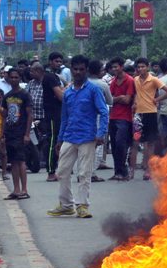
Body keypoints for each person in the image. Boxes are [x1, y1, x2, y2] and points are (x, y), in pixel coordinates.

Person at [48, 55, 108, 219]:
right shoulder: (67, 93)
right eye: (75, 69)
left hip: (88, 137)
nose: (78, 72)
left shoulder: (94, 90)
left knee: (84, 173)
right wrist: (60, 139)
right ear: (71, 69)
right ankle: (66, 205)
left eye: (82, 69)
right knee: (62, 171)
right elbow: (65, 117)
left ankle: (82, 206)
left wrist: (100, 133)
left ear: (87, 70)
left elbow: (104, 112)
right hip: (69, 136)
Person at [132, 57, 167, 180]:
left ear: (147, 67)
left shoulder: (154, 80)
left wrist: (157, 100)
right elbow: (135, 94)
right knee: (136, 141)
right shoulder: (135, 80)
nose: (141, 69)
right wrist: (135, 102)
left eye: (143, 66)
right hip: (138, 114)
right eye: (139, 67)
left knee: (150, 143)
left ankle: (148, 170)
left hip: (151, 112)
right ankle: (133, 170)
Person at [29, 62, 64, 181]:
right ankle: (51, 171)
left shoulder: (50, 77)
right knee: (53, 142)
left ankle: (57, 169)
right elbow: (61, 96)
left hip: (52, 114)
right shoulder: (51, 78)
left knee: (56, 141)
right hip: (53, 115)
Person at [2, 68, 33, 200]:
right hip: (10, 132)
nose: (14, 79)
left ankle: (24, 189)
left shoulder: (25, 95)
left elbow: (30, 114)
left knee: (21, 161)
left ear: (19, 78)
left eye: (16, 77)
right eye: (11, 77)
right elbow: (4, 115)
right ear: (8, 78)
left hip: (21, 132)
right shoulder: (7, 96)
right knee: (13, 161)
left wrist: (27, 134)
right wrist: (2, 133)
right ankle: (16, 189)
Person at [105, 57, 136, 181]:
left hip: (125, 117)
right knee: (114, 145)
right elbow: (109, 99)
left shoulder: (129, 80)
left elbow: (127, 99)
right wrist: (119, 98)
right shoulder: (113, 81)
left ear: (121, 67)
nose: (114, 69)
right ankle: (118, 171)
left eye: (116, 67)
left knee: (120, 144)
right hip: (113, 116)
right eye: (112, 67)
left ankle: (123, 171)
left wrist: (116, 98)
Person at [88, 59, 113, 177]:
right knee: (98, 144)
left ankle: (85, 171)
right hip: (99, 116)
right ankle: (91, 173)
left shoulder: (84, 83)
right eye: (102, 69)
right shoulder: (102, 84)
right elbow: (110, 101)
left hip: (85, 117)